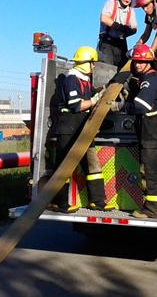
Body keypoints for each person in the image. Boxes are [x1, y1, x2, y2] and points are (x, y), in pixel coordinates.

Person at [109, 44, 157, 219]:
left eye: (142, 62)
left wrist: (119, 105)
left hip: (153, 129)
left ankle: (152, 210)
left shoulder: (149, 80)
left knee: (151, 170)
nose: (137, 65)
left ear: (149, 62)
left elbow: (141, 106)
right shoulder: (155, 78)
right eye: (136, 61)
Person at [50, 46, 111, 213]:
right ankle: (59, 203)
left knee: (93, 166)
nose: (94, 67)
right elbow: (76, 106)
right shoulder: (72, 80)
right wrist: (94, 100)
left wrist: (104, 94)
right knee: (64, 167)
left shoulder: (85, 81)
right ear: (86, 63)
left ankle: (97, 202)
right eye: (92, 63)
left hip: (84, 129)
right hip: (69, 129)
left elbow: (92, 98)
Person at [98, 0, 138, 69]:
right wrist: (118, 26)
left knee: (123, 70)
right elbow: (104, 18)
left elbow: (135, 28)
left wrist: (128, 31)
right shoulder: (111, 3)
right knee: (106, 69)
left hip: (121, 44)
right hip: (107, 42)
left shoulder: (131, 10)